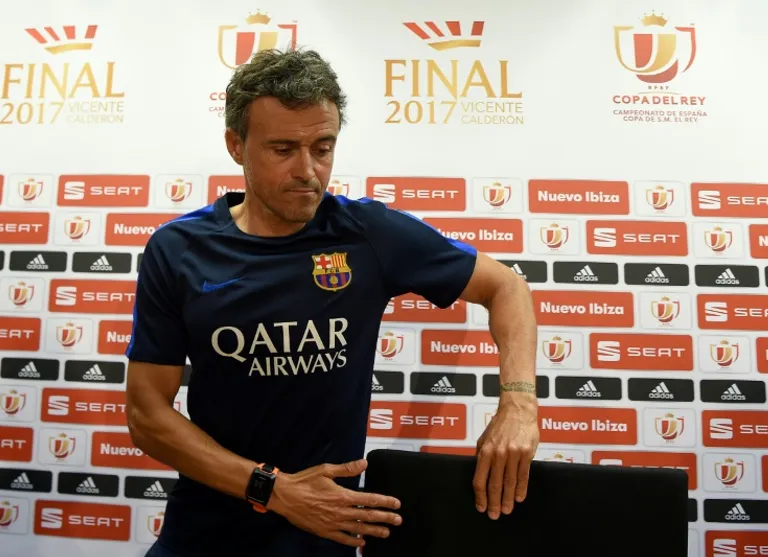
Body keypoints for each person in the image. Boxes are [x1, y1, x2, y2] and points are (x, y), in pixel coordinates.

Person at [125, 47, 539, 557]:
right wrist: (274, 490)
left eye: (322, 148)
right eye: (283, 149)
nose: (308, 170)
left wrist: (518, 405)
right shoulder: (178, 249)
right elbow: (147, 415)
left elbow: (506, 287)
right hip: (205, 532)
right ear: (236, 145)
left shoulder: (367, 234)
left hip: (323, 536)